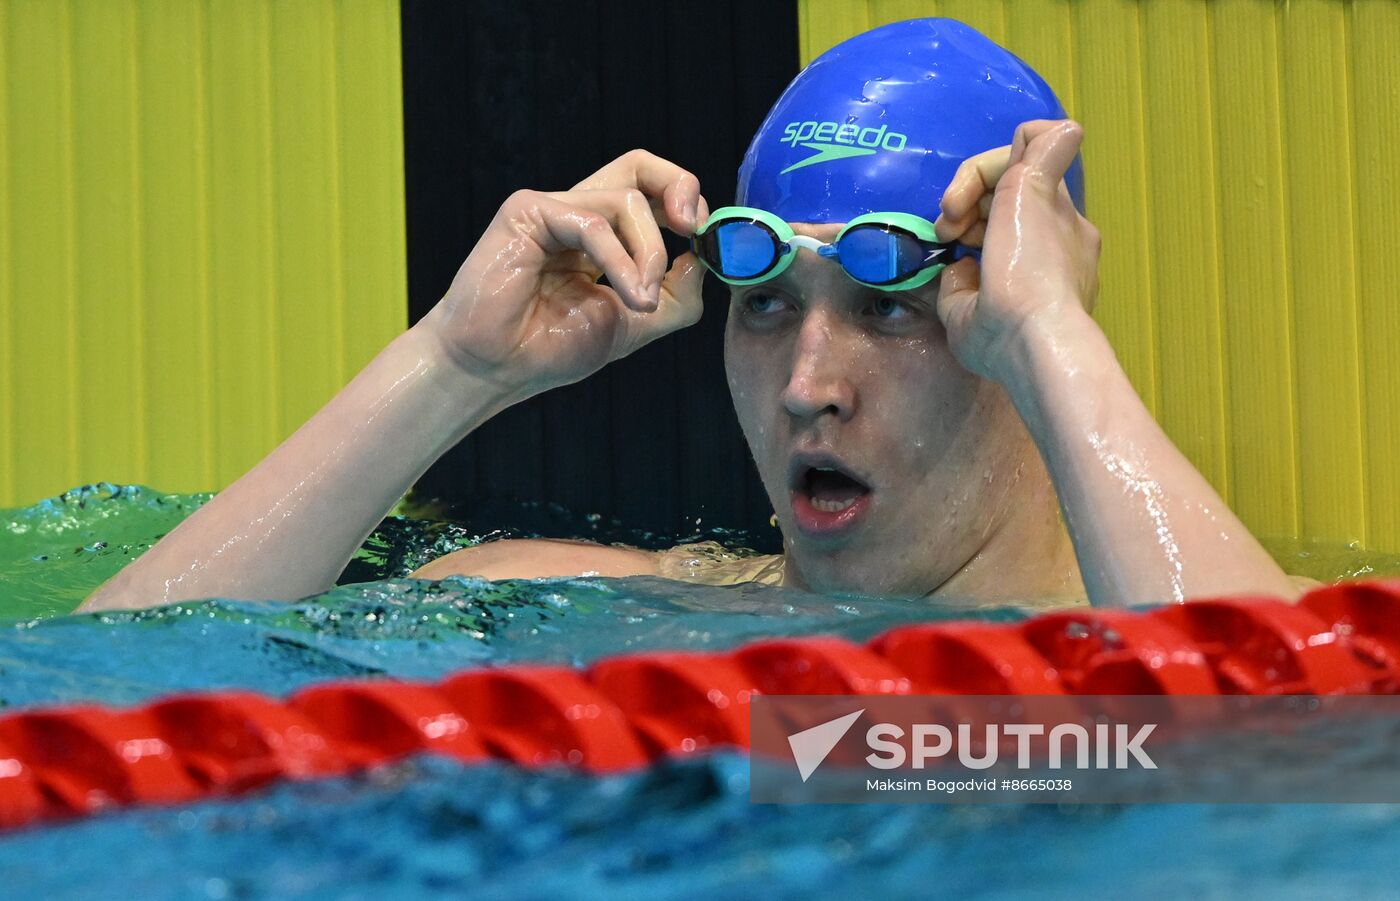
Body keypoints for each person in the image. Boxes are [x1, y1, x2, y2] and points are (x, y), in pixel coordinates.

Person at [80, 18, 1299, 615]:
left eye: (888, 308)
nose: (806, 382)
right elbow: (86, 714)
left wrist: (1054, 339)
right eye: (763, 304)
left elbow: (1314, 781)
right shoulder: (609, 615)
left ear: (1012, 328)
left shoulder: (1221, 651)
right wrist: (452, 368)